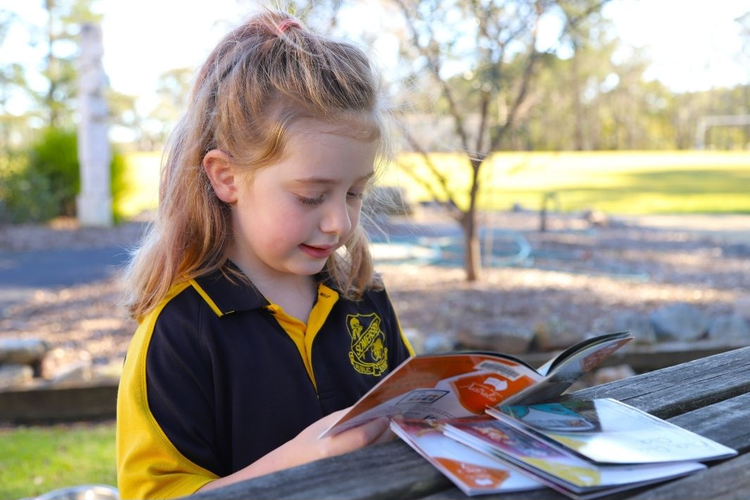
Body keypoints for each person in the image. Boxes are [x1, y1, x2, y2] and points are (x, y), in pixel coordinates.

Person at [116, 10, 414, 499]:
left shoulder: (363, 298)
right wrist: (299, 462)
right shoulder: (180, 330)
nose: (339, 222)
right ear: (226, 177)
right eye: (311, 196)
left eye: (355, 193)